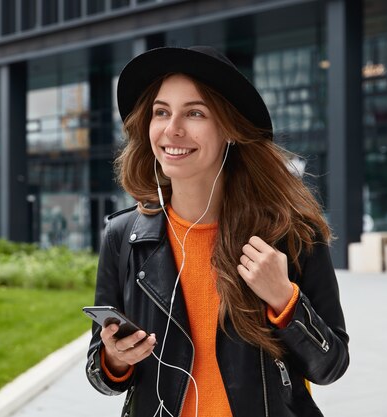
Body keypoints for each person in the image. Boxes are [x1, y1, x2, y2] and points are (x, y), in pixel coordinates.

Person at [85, 46, 349, 417]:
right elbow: (100, 373)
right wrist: (114, 358)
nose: (172, 128)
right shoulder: (123, 236)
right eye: (162, 112)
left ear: (229, 128)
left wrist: (285, 300)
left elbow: (331, 366)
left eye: (194, 113)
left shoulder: (291, 232)